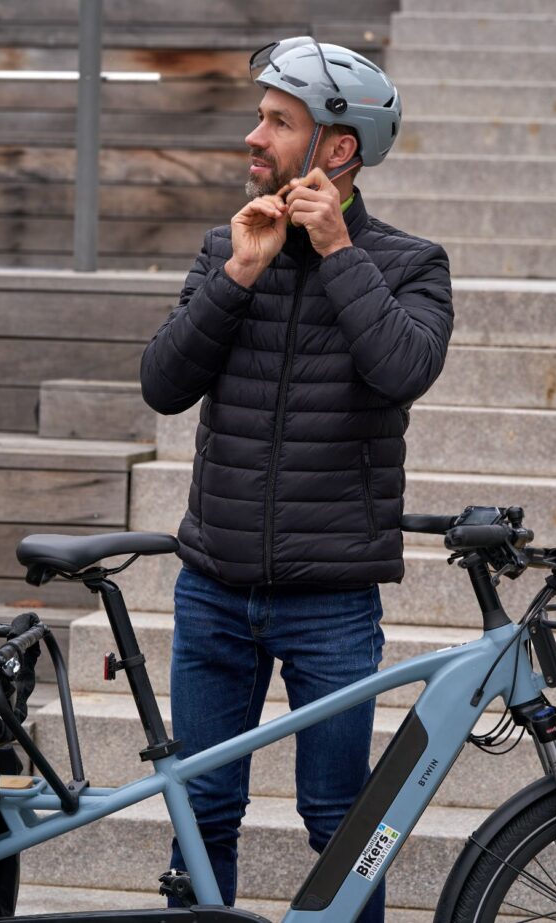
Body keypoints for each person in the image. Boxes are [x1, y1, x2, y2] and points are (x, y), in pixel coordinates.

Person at [141, 37, 453, 923]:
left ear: (338, 146)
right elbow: (162, 385)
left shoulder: (409, 263)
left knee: (342, 826)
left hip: (332, 601)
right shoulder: (227, 247)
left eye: (277, 122)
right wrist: (239, 273)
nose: (254, 136)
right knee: (201, 813)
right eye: (261, 118)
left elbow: (403, 369)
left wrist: (339, 251)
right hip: (212, 587)